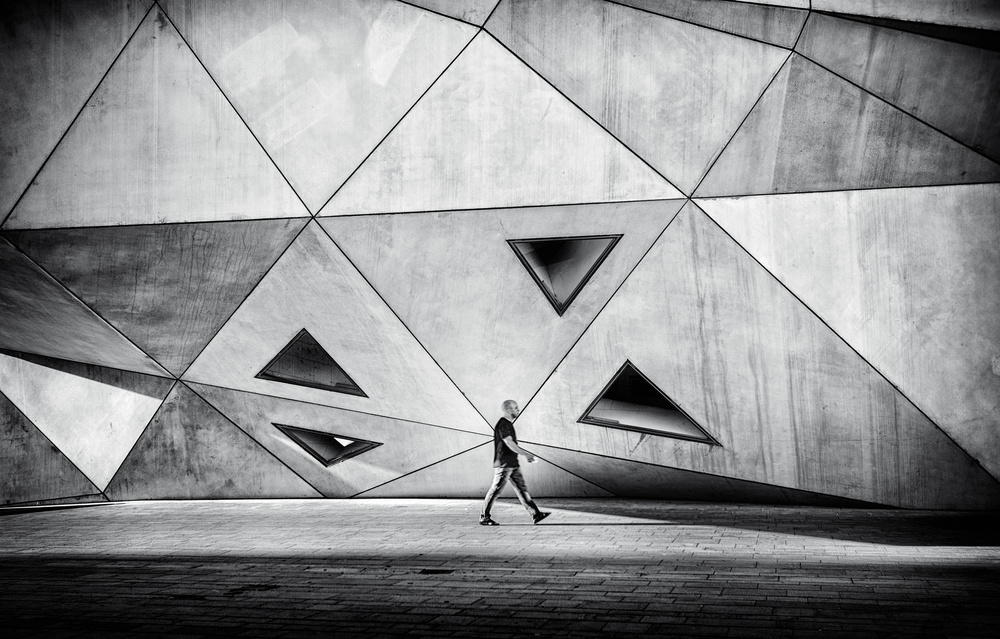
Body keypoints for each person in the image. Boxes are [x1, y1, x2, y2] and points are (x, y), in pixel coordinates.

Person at [480, 399, 550, 526]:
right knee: (496, 490)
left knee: (522, 489)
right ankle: (484, 517)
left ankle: (536, 514)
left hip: (512, 463)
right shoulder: (503, 424)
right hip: (504, 464)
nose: (518, 410)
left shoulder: (508, 424)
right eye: (516, 408)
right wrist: (525, 454)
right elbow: (509, 442)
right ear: (509, 410)